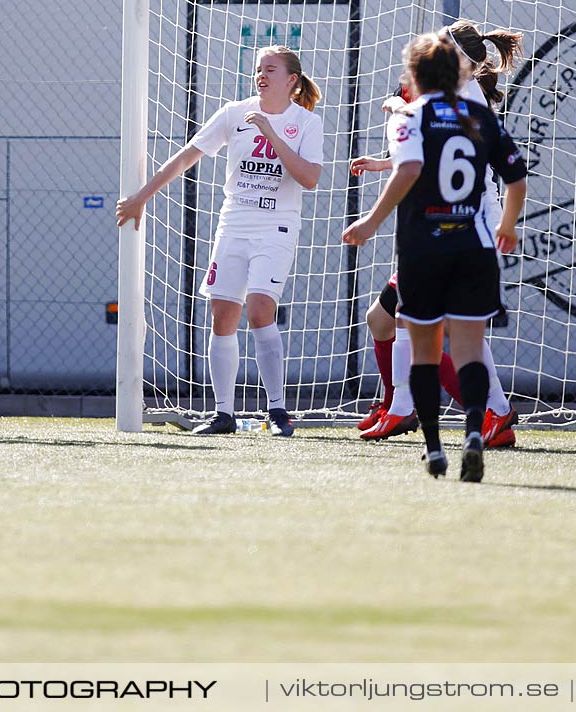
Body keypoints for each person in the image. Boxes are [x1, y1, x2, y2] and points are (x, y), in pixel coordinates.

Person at [342, 32, 526, 482]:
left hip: (427, 242)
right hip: (476, 238)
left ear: (417, 75)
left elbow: (413, 166)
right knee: (461, 344)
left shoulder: (409, 114)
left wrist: (369, 222)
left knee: (420, 342)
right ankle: (476, 426)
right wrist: (507, 226)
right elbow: (516, 177)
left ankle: (425, 432)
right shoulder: (479, 114)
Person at [116, 46, 325, 436]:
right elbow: (184, 157)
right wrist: (142, 196)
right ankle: (223, 414)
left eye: (271, 69)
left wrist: (269, 131)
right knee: (222, 315)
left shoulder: (306, 123)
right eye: (259, 69)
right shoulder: (233, 113)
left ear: (291, 80)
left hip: (276, 226)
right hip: (234, 223)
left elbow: (309, 179)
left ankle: (278, 412)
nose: (262, 75)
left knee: (260, 309)